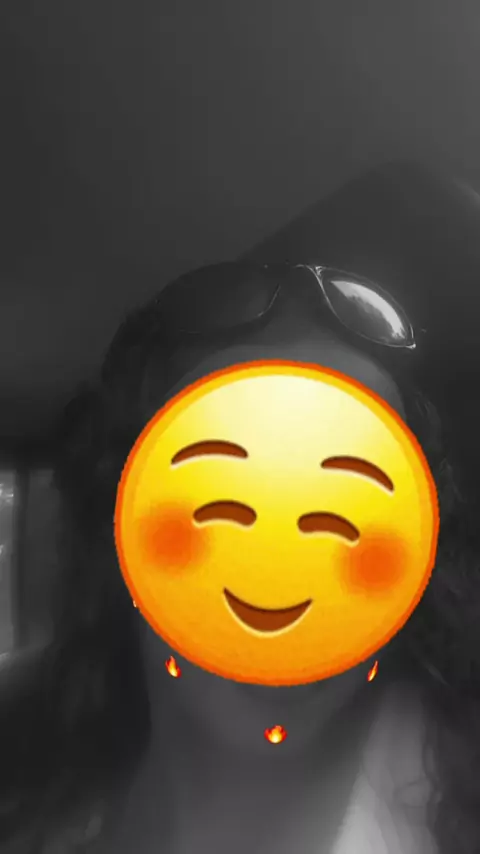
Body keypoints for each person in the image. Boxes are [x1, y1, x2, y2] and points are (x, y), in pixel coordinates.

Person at [2, 166, 480, 854]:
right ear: (118, 520)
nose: (282, 572)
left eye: (345, 509)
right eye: (223, 498)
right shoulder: (31, 779)